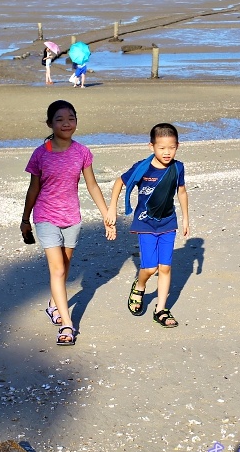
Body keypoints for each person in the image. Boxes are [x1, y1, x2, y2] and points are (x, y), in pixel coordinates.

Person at [21, 99, 116, 345]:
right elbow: (33, 189)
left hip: (72, 217)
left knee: (65, 265)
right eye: (60, 119)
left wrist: (107, 214)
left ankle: (54, 303)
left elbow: (92, 185)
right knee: (58, 270)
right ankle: (67, 324)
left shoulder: (82, 152)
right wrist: (25, 220)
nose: (66, 123)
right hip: (45, 216)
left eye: (71, 118)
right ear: (50, 123)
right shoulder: (40, 154)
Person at [106, 123, 189, 328]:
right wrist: (111, 208)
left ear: (177, 146)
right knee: (150, 268)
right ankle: (140, 285)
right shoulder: (143, 168)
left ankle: (160, 309)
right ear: (151, 146)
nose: (167, 152)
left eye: (171, 147)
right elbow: (119, 182)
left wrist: (186, 218)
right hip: (145, 223)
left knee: (166, 267)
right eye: (162, 148)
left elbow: (182, 192)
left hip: (168, 222)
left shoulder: (177, 168)